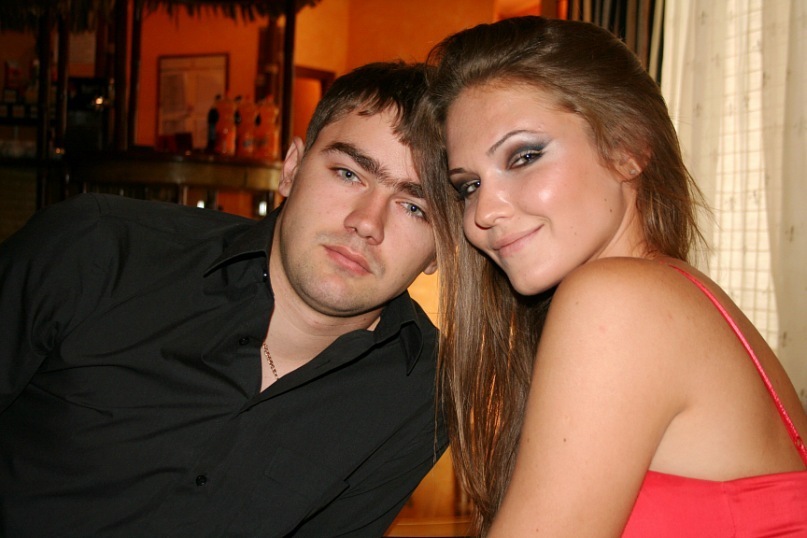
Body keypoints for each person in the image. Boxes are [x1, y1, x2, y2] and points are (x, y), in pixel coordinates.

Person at [0, 61, 445, 537]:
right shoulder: (94, 250)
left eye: (413, 206)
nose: (367, 222)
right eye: (348, 173)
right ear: (291, 169)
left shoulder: (426, 394)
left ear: (442, 250)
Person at [415, 16, 807, 537]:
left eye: (524, 156)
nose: (484, 212)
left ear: (627, 148)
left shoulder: (619, 301)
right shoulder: (681, 295)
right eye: (469, 186)